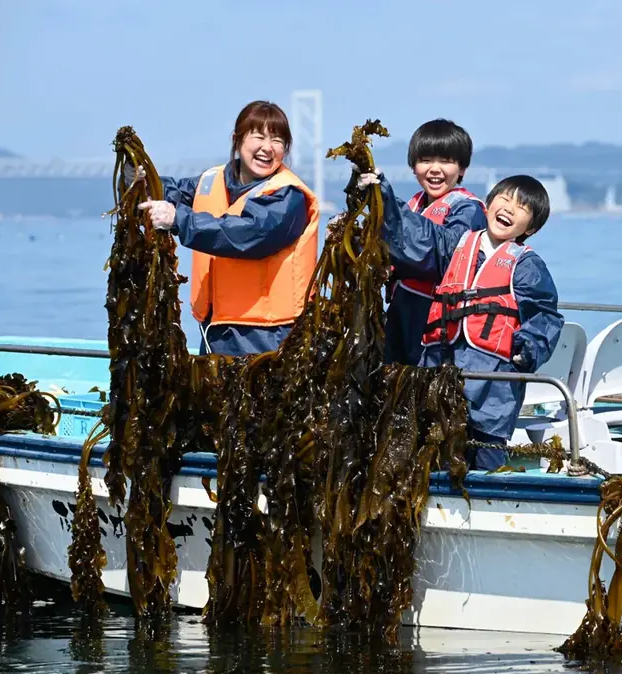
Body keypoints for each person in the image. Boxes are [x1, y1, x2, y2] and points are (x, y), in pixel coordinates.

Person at [363, 169, 564, 470]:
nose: (509, 208)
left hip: (492, 388)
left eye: (522, 208)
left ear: (531, 228)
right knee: (431, 453)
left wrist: (530, 348)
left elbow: (544, 315)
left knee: (487, 459)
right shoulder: (456, 243)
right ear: (489, 203)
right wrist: (381, 194)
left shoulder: (526, 265)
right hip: (439, 373)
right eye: (504, 199)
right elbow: (417, 237)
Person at [131, 100, 320, 356]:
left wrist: (179, 220)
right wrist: (138, 177)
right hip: (215, 328)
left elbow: (251, 234)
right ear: (238, 139)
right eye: (259, 136)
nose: (267, 148)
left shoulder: (289, 197)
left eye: (277, 140)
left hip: (268, 335)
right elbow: (170, 191)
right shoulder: (212, 180)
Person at [380, 119, 487, 366]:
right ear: (413, 166)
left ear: (462, 169)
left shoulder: (468, 210)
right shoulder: (413, 206)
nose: (435, 169)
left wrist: (386, 202)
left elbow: (439, 255)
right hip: (400, 318)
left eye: (446, 161)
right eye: (426, 160)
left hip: (437, 330)